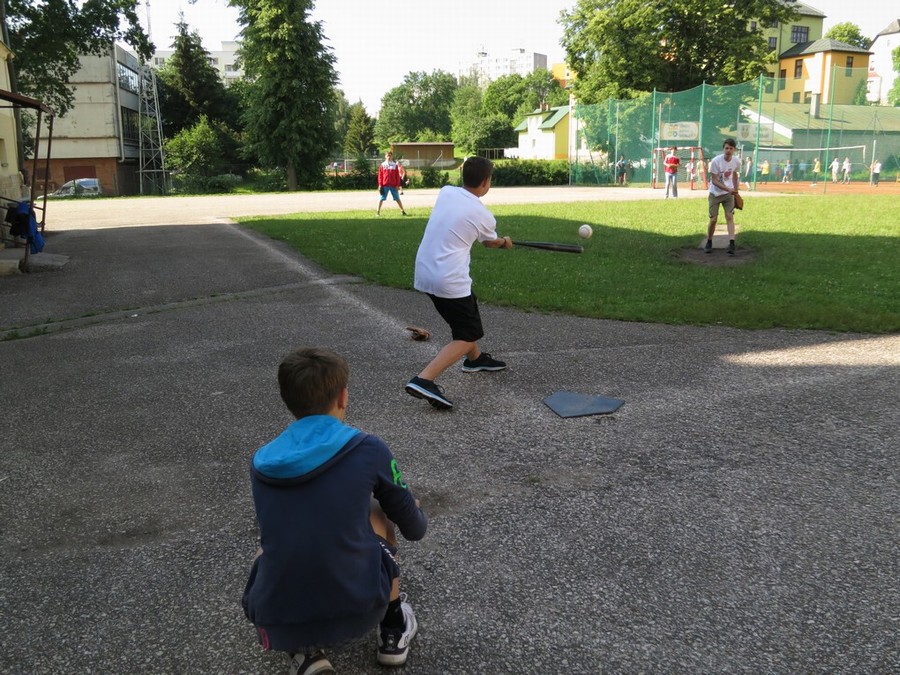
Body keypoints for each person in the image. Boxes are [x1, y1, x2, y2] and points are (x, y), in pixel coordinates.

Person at [243, 347, 428, 674]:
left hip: (279, 616)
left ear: (287, 400)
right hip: (360, 607)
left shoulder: (262, 461)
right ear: (343, 396)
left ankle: (305, 653)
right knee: (378, 509)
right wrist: (412, 509)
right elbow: (414, 529)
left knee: (271, 543)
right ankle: (393, 629)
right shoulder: (368, 448)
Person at [405, 156, 512, 410]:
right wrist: (504, 242)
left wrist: (498, 241)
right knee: (468, 334)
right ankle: (424, 379)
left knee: (465, 318)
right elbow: (489, 242)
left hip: (426, 271)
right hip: (449, 279)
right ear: (486, 182)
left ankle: (475, 359)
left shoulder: (446, 192)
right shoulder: (483, 215)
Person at [704, 138, 741, 256]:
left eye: (731, 148)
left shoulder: (736, 161)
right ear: (723, 149)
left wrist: (736, 190)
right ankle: (709, 241)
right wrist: (728, 189)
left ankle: (732, 243)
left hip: (728, 194)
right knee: (713, 219)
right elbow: (714, 180)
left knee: (729, 216)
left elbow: (735, 174)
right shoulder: (716, 161)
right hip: (715, 194)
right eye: (726, 148)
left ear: (734, 150)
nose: (728, 150)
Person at [376, 151, 408, 217]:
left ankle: (402, 211)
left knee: (397, 198)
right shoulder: (383, 165)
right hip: (385, 185)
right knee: (381, 198)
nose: (389, 157)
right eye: (387, 156)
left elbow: (397, 176)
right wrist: (380, 185)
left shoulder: (394, 165)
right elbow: (380, 176)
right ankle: (378, 212)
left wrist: (397, 185)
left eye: (390, 156)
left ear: (392, 156)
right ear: (385, 156)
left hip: (393, 185)